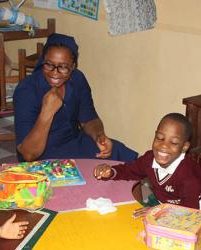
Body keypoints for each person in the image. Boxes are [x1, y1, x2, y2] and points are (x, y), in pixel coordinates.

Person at [13, 33, 138, 162]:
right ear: (43, 61)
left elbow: (89, 118)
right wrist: (47, 112)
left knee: (118, 152)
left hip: (74, 143)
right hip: (41, 154)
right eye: (49, 65)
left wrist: (99, 136)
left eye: (63, 67)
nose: (54, 73)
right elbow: (28, 154)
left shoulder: (77, 79)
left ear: (73, 67)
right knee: (71, 175)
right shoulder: (26, 90)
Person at [93, 113, 201, 216]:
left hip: (190, 210)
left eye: (174, 142)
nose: (164, 146)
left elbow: (189, 210)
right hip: (162, 201)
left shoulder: (189, 176)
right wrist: (111, 172)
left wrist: (159, 211)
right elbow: (130, 170)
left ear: (184, 147)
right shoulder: (149, 158)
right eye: (160, 138)